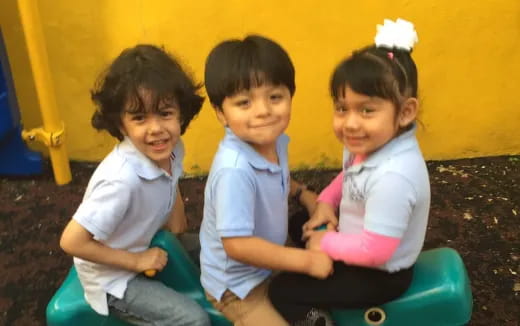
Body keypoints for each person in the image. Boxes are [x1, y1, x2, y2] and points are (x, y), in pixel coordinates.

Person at [268, 18, 430, 325]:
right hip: (354, 239)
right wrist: (326, 204)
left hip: (378, 274)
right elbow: (350, 175)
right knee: (301, 222)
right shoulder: (372, 144)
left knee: (282, 290)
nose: (351, 122)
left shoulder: (394, 177)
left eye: (367, 110)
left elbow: (376, 251)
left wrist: (326, 243)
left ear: (405, 112)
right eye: (342, 108)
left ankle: (319, 319)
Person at [59, 44, 210, 326]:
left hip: (148, 241)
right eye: (139, 118)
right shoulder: (121, 180)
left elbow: (170, 181)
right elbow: (71, 241)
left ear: (181, 113)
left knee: (225, 246)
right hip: (113, 276)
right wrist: (137, 262)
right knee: (193, 320)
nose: (156, 129)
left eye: (165, 113)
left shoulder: (172, 150)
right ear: (121, 124)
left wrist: (178, 230)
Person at [199, 35, 334, 326]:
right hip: (238, 287)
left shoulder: (273, 142)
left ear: (290, 96)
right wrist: (307, 262)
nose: (263, 111)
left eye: (275, 97)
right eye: (244, 102)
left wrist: (306, 196)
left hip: (269, 265)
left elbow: (281, 180)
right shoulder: (234, 170)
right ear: (221, 113)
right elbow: (238, 245)